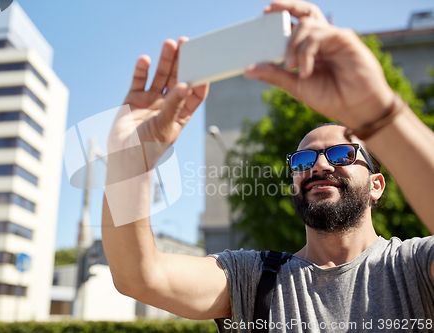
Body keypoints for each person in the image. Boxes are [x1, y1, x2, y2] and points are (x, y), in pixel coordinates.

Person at [101, 0, 434, 331]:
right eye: (304, 160)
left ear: (377, 184)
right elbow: (140, 277)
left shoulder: (414, 266)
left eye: (341, 154)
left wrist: (376, 110)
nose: (318, 165)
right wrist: (129, 164)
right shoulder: (254, 279)